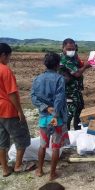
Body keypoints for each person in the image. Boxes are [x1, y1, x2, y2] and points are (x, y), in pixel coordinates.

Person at [31, 52, 70, 181]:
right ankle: (52, 174)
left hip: (44, 118)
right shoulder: (59, 79)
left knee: (43, 145)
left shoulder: (37, 79)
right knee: (55, 146)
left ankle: (39, 170)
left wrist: (45, 108)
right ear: (58, 65)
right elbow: (59, 99)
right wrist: (54, 113)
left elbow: (33, 97)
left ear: (45, 64)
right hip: (56, 118)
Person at [0, 43, 32, 177]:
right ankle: (18, 165)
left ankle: (5, 168)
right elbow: (12, 93)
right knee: (22, 137)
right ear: (3, 55)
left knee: (2, 140)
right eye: (9, 56)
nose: (9, 59)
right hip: (8, 110)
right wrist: (20, 111)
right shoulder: (5, 70)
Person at [59, 38, 91, 130]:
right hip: (68, 92)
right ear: (63, 48)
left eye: (73, 49)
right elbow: (77, 73)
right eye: (68, 49)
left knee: (80, 111)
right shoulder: (64, 59)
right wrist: (86, 66)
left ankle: (78, 131)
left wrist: (93, 61)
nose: (71, 51)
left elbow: (80, 65)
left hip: (76, 90)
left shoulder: (74, 56)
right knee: (69, 114)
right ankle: (67, 134)